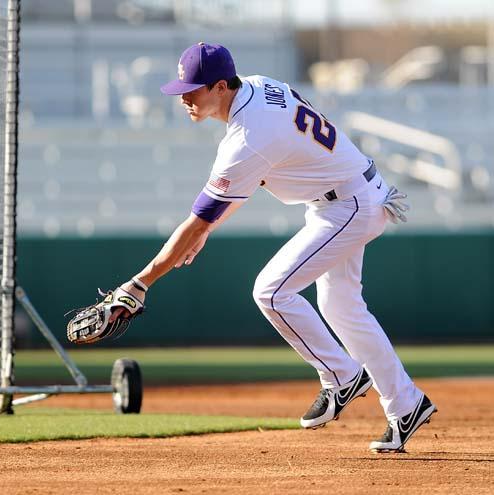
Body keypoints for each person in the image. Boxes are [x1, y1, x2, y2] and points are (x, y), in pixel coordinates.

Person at [111, 42, 436, 453]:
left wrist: (141, 282)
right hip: (349, 194)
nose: (184, 98)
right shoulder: (258, 87)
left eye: (193, 89)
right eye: (182, 88)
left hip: (348, 205)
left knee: (271, 290)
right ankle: (405, 405)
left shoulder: (248, 136)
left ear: (221, 86)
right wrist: (205, 230)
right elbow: (219, 208)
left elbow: (199, 218)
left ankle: (341, 377)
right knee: (341, 307)